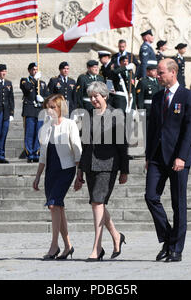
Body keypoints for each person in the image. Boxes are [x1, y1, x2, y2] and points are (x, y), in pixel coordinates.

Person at [145, 59, 191, 262]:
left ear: (173, 73)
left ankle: (176, 248)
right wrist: (148, 156)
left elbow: (190, 129)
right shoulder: (159, 97)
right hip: (158, 157)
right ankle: (168, 238)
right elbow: (152, 129)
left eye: (160, 73)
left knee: (178, 204)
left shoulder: (187, 96)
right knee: (151, 196)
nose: (157, 76)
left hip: (178, 159)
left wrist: (181, 156)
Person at [74, 81, 129, 261]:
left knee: (97, 202)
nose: (93, 100)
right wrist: (80, 169)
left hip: (108, 165)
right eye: (90, 97)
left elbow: (122, 145)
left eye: (96, 96)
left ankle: (97, 248)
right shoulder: (88, 115)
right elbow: (84, 144)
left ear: (104, 96)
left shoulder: (116, 115)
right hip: (89, 164)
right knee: (97, 203)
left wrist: (124, 170)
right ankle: (116, 235)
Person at [33, 94, 82, 260]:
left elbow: (77, 151)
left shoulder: (70, 124)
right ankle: (68, 246)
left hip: (66, 169)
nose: (49, 110)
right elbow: (43, 155)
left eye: (53, 107)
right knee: (57, 207)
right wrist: (38, 176)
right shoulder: (46, 127)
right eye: (48, 106)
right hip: (51, 170)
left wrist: (79, 174)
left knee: (54, 205)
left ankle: (54, 246)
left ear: (61, 108)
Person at [20, 62, 49, 163]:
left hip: (40, 111)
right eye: (33, 69)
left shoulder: (42, 83)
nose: (35, 71)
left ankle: (36, 152)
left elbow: (48, 96)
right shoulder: (24, 80)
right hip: (29, 110)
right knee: (29, 133)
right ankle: (29, 153)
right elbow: (26, 89)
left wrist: (43, 99)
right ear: (29, 71)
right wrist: (34, 79)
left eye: (36, 69)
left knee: (39, 133)